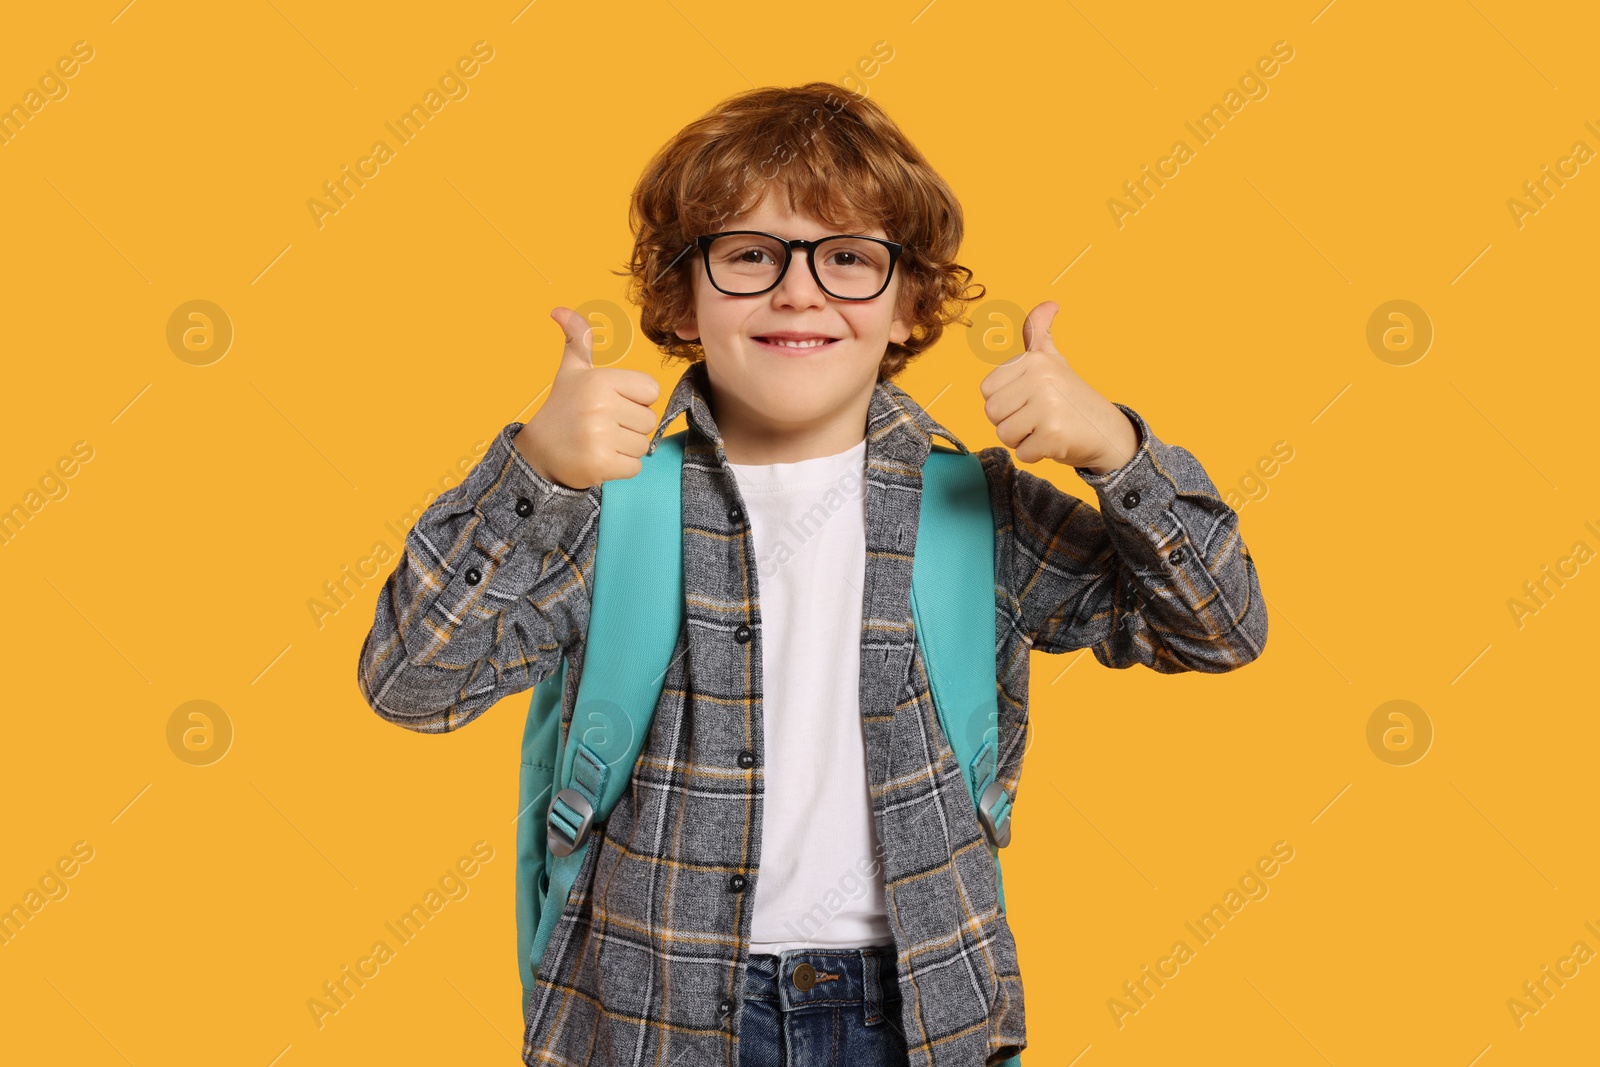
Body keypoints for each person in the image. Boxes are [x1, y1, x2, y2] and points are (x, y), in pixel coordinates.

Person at [356, 81, 1267, 1067]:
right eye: (749, 255)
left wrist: (1118, 451)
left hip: (919, 1010)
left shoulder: (980, 509)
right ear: (679, 295)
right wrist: (531, 471)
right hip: (651, 1012)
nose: (799, 291)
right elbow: (412, 682)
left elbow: (1217, 628)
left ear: (910, 303)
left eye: (847, 258)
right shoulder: (602, 504)